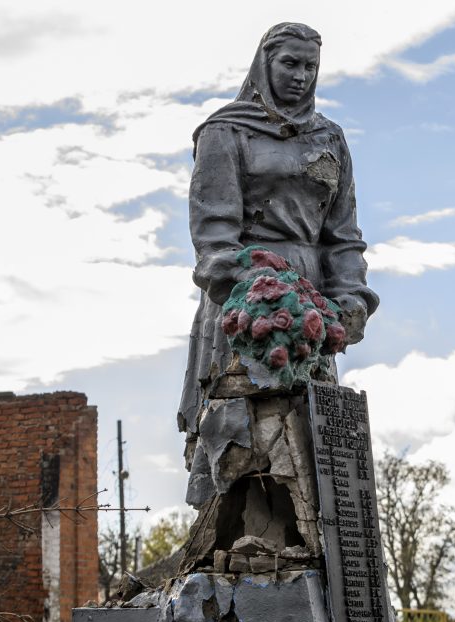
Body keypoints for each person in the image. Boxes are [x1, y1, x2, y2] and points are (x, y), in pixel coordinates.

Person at [178, 22, 379, 497]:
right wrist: (254, 292)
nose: (301, 76)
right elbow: (214, 237)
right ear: (264, 63)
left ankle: (310, 547)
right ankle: (234, 546)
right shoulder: (225, 131)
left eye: (310, 66)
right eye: (290, 63)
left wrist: (351, 298)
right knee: (241, 433)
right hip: (248, 297)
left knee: (312, 445)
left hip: (314, 303)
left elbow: (343, 236)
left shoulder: (329, 138)